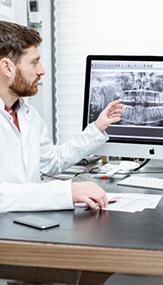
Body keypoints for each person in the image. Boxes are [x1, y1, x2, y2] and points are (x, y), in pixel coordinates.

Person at [0, 20, 124, 213]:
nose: (42, 70)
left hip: (26, 223)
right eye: (34, 63)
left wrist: (97, 128)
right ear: (7, 68)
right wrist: (67, 192)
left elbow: (51, 161)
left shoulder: (26, 114)